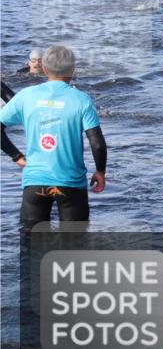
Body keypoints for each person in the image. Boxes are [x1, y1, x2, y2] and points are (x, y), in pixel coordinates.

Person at [0, 46, 107, 227]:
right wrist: (100, 172)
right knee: (74, 240)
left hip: (35, 182)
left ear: (44, 68)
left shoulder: (26, 96)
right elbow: (97, 144)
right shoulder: (82, 99)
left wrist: (16, 156)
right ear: (72, 69)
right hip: (71, 184)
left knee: (31, 241)